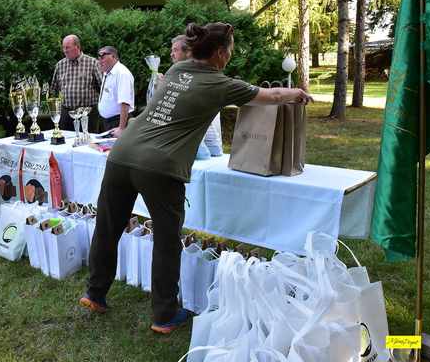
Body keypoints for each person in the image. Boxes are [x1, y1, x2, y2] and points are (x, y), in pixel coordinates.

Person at [79, 23, 312, 333]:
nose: (230, 56)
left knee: (107, 228)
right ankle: (165, 315)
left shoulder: (177, 70)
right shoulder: (220, 84)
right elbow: (273, 95)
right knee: (167, 240)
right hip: (159, 165)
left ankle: (95, 294)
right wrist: (298, 93)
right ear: (220, 53)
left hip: (121, 154)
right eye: (230, 50)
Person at [171, 34, 223, 159]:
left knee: (207, 154)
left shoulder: (195, 73)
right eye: (171, 50)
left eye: (175, 50)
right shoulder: (180, 72)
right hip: (202, 132)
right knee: (213, 152)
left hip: (194, 131)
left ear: (188, 52)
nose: (171, 54)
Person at [50, 35, 103, 133]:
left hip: (87, 113)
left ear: (77, 47)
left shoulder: (92, 63)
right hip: (66, 113)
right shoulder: (60, 65)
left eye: (67, 47)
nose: (65, 51)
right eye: (63, 48)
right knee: (65, 139)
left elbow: (103, 87)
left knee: (88, 140)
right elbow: (53, 89)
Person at [96, 46, 135, 136]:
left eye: (102, 57)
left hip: (118, 122)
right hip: (107, 122)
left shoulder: (122, 73)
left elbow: (125, 102)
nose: (100, 61)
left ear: (113, 56)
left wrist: (121, 128)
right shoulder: (108, 72)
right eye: (98, 57)